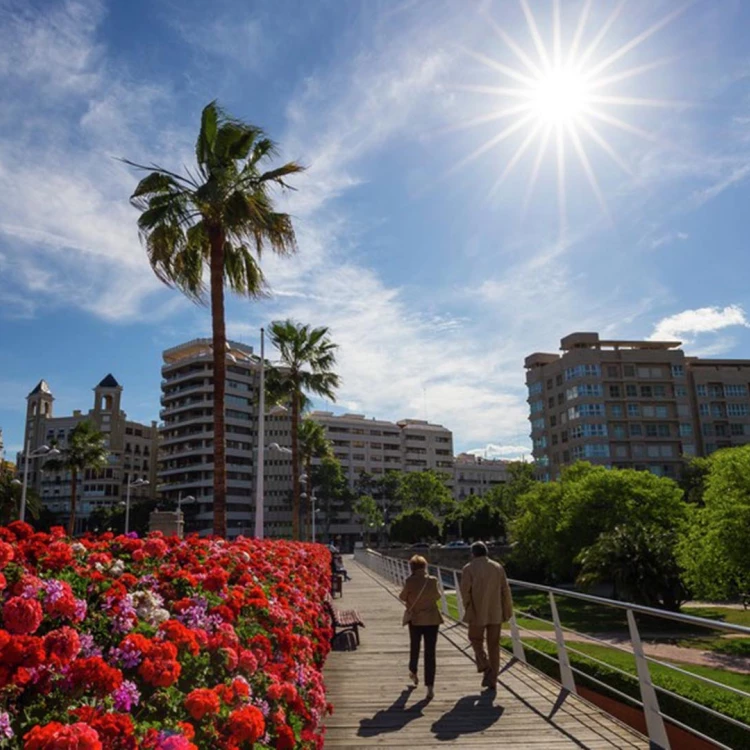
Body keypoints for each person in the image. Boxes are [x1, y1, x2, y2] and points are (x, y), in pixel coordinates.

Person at [459, 541, 513, 691]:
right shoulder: (497, 567)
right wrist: (507, 609)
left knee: (475, 639)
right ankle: (493, 679)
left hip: (477, 611)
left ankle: (485, 665)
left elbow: (465, 592)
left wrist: (468, 607)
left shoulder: (468, 569)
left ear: (473, 553)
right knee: (494, 645)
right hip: (495, 610)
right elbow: (505, 589)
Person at [399, 555, 443, 700]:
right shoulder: (432, 580)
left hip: (416, 620)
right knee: (430, 652)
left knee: (415, 647)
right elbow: (437, 596)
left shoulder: (409, 581)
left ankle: (413, 671)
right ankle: (430, 686)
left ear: (411, 567)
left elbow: (402, 596)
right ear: (425, 566)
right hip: (432, 619)